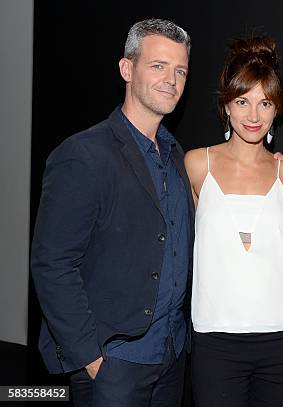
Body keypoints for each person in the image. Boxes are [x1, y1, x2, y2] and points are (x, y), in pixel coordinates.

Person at [30, 19, 193, 406]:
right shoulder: (83, 154)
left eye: (180, 70)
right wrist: (90, 357)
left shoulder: (175, 156)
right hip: (114, 363)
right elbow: (52, 263)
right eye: (158, 66)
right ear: (127, 68)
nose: (171, 79)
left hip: (170, 358)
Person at [184, 36, 283, 407]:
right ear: (227, 105)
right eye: (243, 102)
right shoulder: (196, 165)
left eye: (265, 103)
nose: (254, 116)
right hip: (214, 338)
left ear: (277, 110)